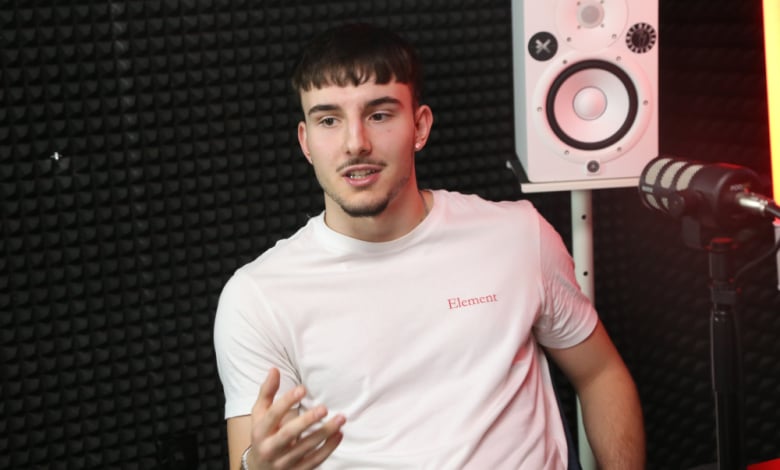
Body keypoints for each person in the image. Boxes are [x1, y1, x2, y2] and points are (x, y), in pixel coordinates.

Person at [213, 22, 645, 470]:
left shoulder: (518, 236)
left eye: (379, 115)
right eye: (329, 120)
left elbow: (600, 374)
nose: (355, 143)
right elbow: (254, 456)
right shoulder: (258, 297)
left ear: (419, 127)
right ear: (306, 142)